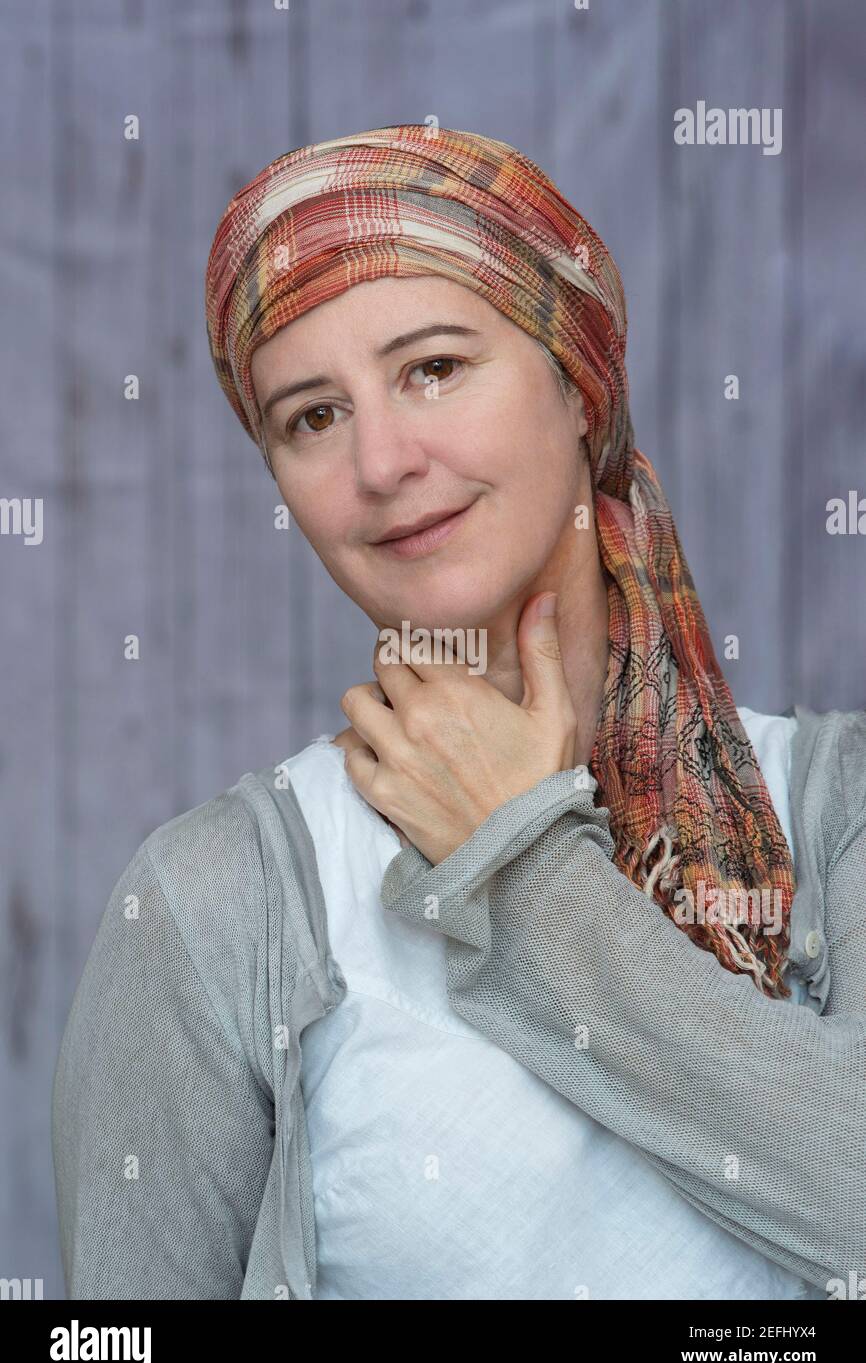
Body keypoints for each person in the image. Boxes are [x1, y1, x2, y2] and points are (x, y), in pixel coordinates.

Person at [52, 124, 866, 1301]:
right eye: (310, 418)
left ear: (579, 385)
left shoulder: (834, 814)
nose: (380, 461)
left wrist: (523, 868)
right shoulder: (216, 902)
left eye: (432, 367)